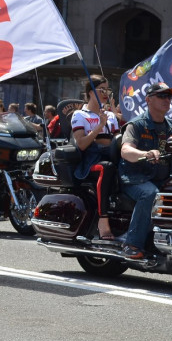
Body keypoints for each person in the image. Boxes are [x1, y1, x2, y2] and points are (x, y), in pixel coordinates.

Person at [118, 82, 172, 259]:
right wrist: (145, 154)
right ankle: (132, 244)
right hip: (135, 178)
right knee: (151, 194)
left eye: (169, 96)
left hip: (162, 178)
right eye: (161, 96)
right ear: (148, 100)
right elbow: (126, 151)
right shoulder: (136, 125)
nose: (167, 100)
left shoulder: (171, 127)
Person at [71, 75, 121, 240]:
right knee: (106, 168)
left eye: (108, 90)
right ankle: (103, 220)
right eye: (102, 89)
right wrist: (99, 125)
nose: (106, 93)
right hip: (92, 160)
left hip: (112, 155)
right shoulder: (80, 115)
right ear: (91, 92)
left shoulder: (111, 116)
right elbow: (82, 145)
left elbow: (118, 141)